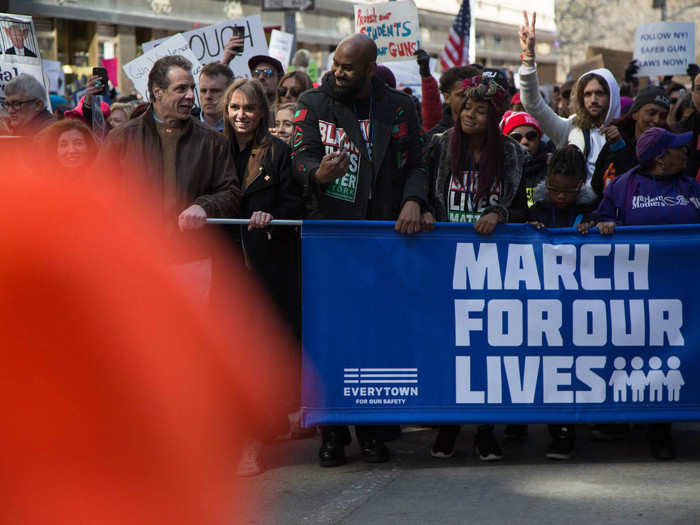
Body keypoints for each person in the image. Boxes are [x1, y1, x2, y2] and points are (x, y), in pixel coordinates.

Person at [292, 33, 428, 467]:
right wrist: (316, 172)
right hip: (331, 242)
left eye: (348, 66)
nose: (338, 71)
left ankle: (371, 431)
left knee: (373, 339)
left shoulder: (400, 108)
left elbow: (419, 164)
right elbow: (296, 156)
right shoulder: (315, 104)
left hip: (385, 243)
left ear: (371, 68)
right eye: (335, 62)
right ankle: (332, 434)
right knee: (331, 340)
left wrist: (414, 199)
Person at [426, 74, 526, 461]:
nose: (470, 115)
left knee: (486, 349)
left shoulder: (513, 155)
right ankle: (449, 424)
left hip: (492, 268)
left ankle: (485, 430)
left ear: (495, 115)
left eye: (480, 110)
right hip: (445, 263)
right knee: (450, 348)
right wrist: (423, 209)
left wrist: (499, 213)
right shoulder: (439, 147)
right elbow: (418, 183)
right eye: (466, 107)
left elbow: (526, 205)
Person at [594, 127, 700, 459]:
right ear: (659, 158)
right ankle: (635, 424)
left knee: (678, 361)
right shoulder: (624, 185)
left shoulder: (691, 186)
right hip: (639, 293)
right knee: (645, 359)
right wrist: (603, 225)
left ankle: (662, 432)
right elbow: (599, 217)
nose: (685, 153)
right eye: (677, 149)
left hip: (686, 292)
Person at [221, 77, 303, 475]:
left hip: (264, 269)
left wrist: (272, 218)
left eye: (249, 108)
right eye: (234, 107)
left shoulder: (279, 153)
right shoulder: (212, 148)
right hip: (220, 269)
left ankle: (252, 441)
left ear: (261, 112)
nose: (241, 115)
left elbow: (292, 206)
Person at [99, 55, 241, 233]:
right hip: (135, 252)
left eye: (191, 88)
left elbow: (231, 194)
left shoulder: (213, 141)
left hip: (191, 252)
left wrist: (204, 206)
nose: (190, 96)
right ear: (158, 92)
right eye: (181, 89)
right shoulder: (121, 138)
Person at [518, 11, 620, 182]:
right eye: (587, 94)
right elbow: (532, 103)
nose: (593, 100)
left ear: (612, 96)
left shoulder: (625, 130)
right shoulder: (569, 128)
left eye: (599, 93)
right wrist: (528, 59)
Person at [591, 86, 671, 197]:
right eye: (651, 113)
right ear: (635, 114)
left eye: (663, 116)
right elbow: (597, 184)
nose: (656, 120)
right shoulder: (616, 141)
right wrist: (619, 147)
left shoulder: (669, 151)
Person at [500, 110, 555, 206]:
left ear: (539, 139)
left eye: (531, 136)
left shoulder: (551, 167)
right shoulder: (499, 169)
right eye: (516, 137)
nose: (525, 141)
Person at [198, 62, 234, 131]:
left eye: (214, 91)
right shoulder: (185, 126)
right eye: (203, 91)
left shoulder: (240, 127)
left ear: (230, 92)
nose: (207, 96)